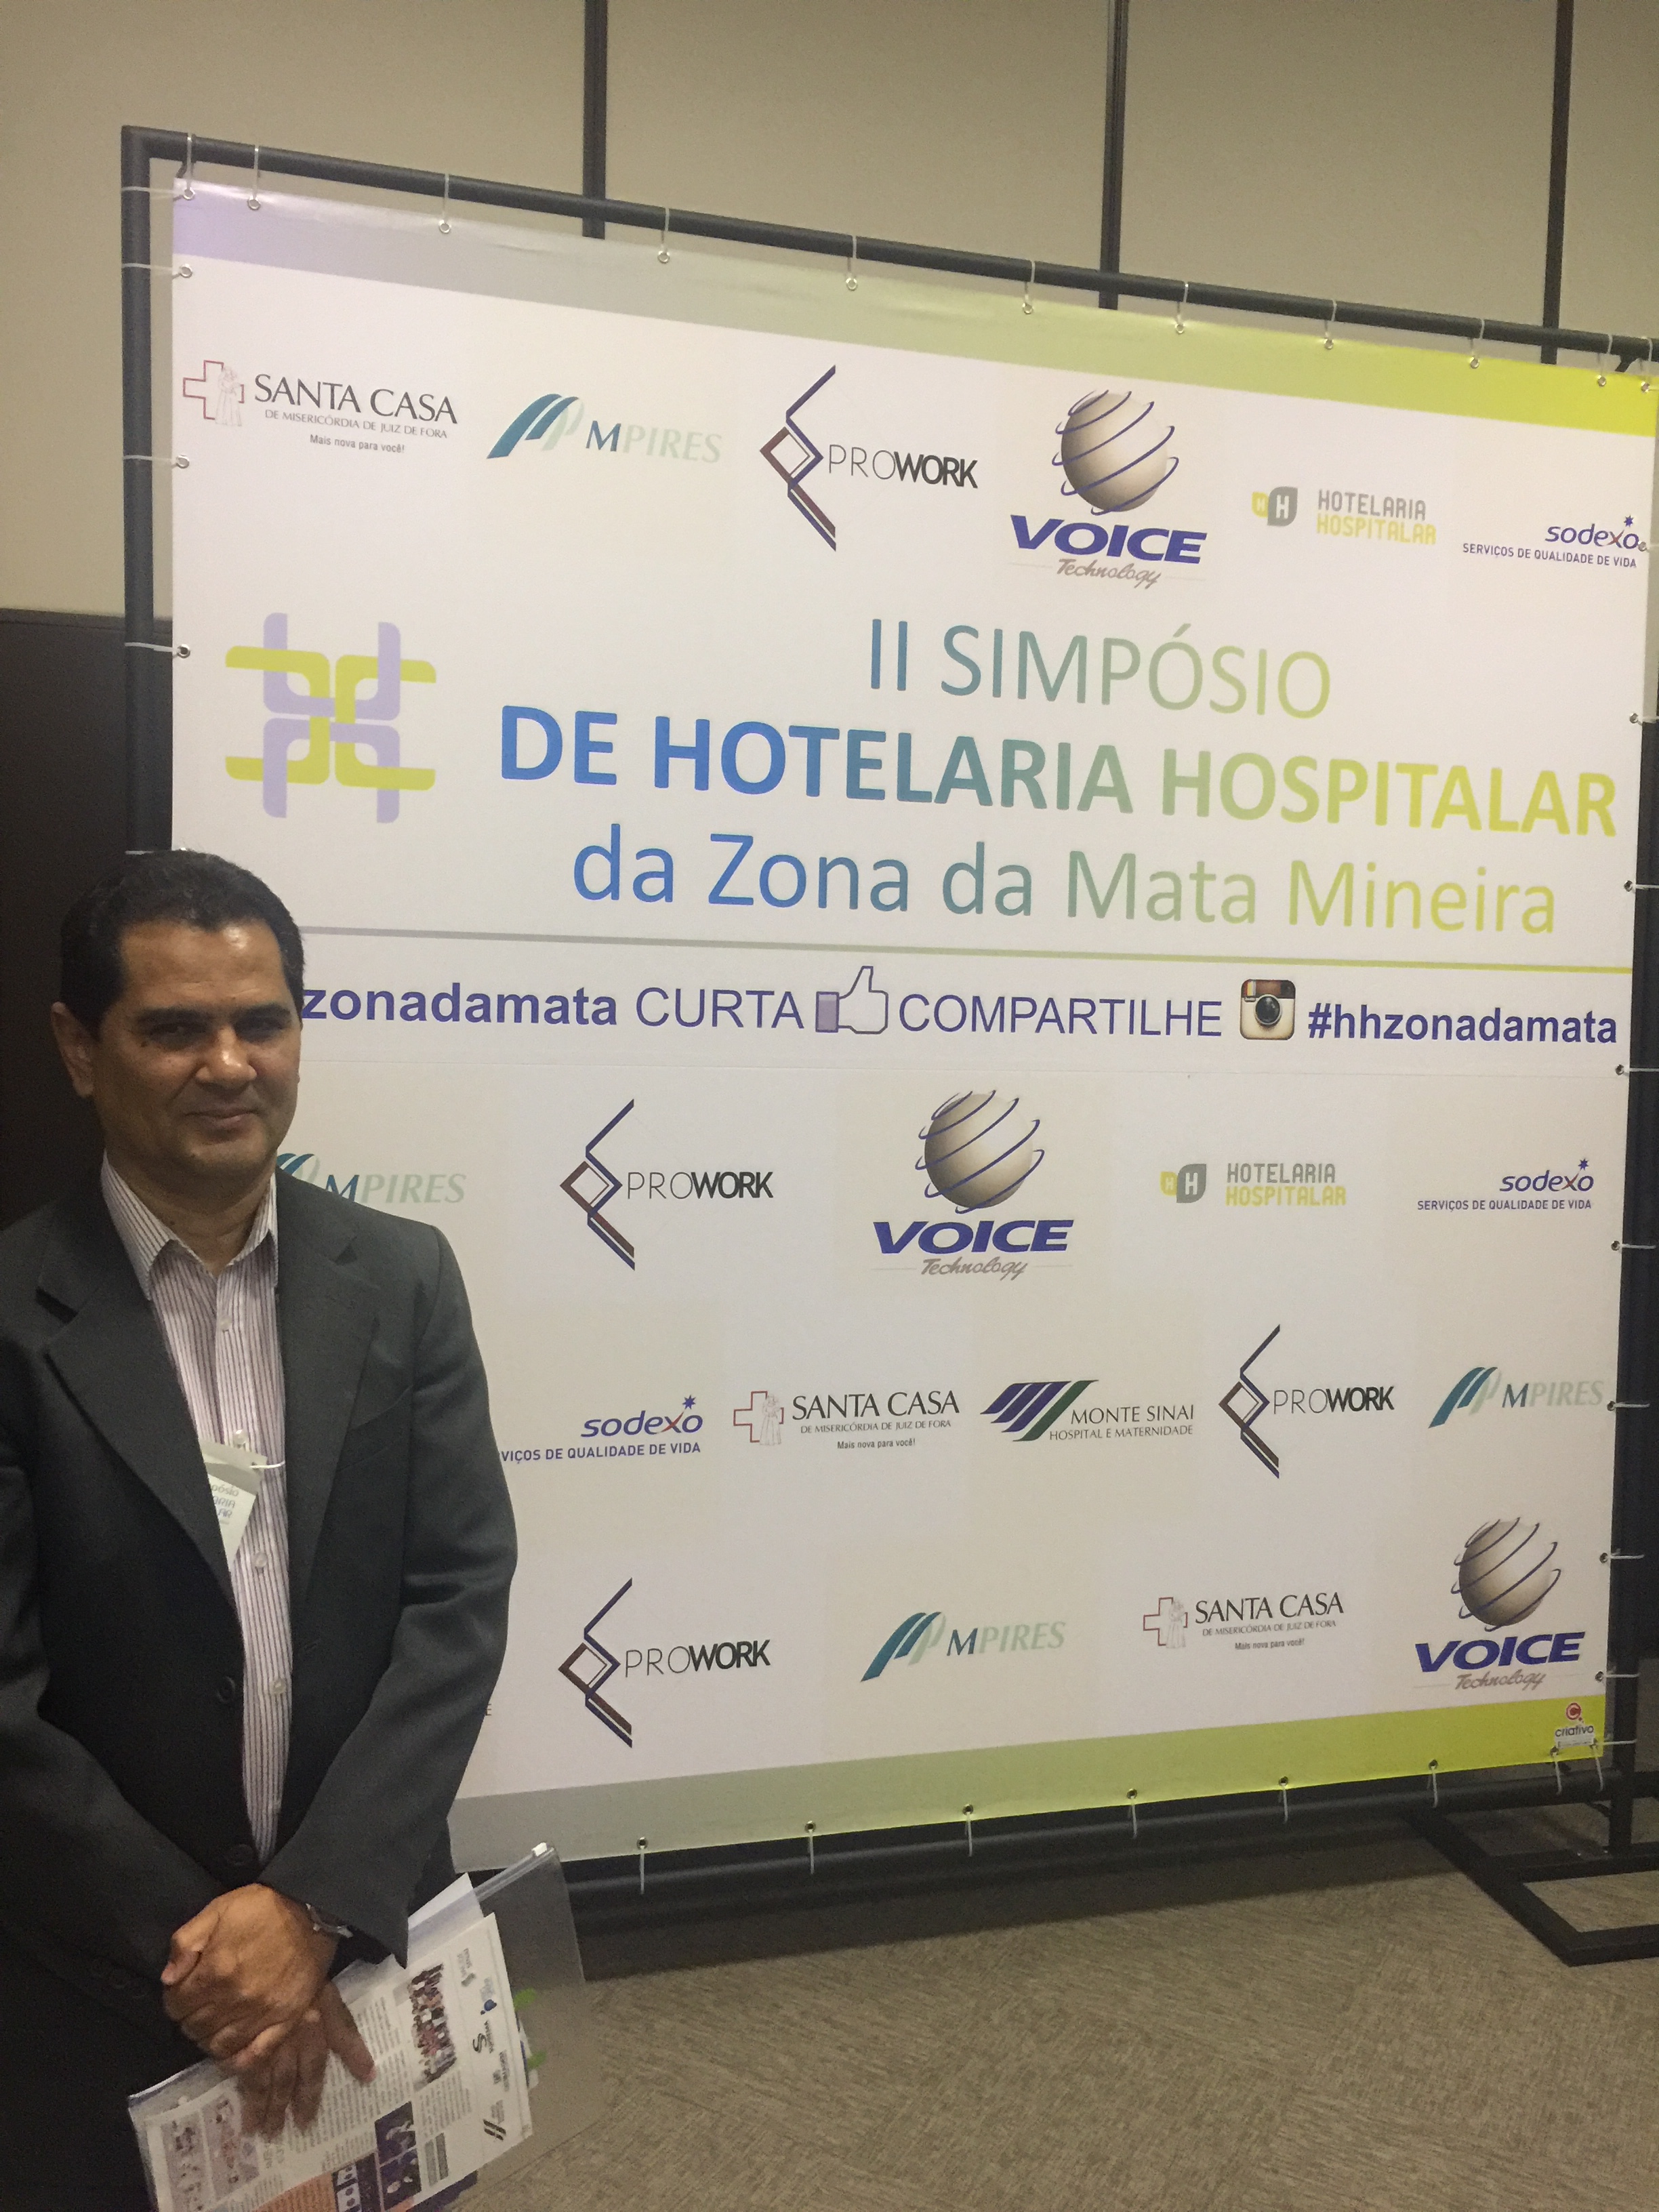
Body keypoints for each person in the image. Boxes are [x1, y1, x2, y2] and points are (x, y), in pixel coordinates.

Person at [0, 851, 516, 2210]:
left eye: (262, 1022)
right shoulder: (11, 1315)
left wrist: (313, 1911)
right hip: (105, 1978)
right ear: (79, 1048)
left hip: (363, 1948)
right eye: (174, 1028)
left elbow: (458, 1597)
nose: (228, 1065)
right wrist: (215, 1958)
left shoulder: (403, 1278)